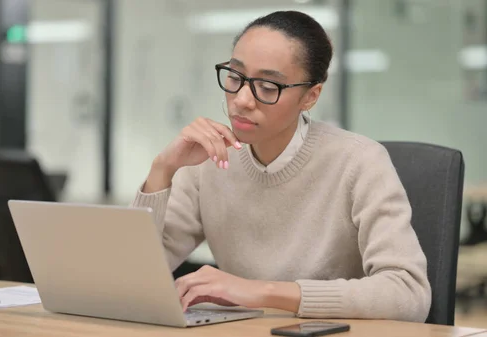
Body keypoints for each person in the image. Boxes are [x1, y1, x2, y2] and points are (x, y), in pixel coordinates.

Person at [131, 10, 431, 322]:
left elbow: (408, 294)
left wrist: (262, 292)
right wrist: (162, 170)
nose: (243, 99)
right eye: (235, 77)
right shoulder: (208, 160)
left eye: (267, 86)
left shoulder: (360, 162)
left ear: (310, 96)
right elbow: (132, 277)